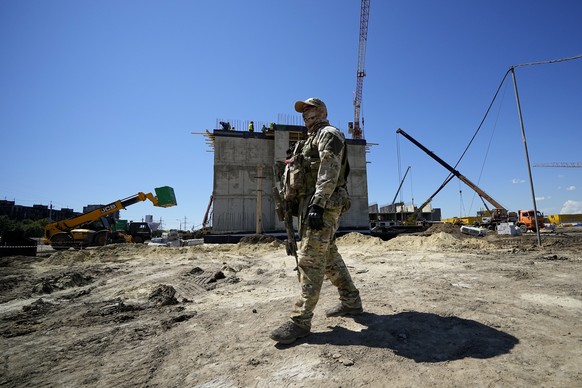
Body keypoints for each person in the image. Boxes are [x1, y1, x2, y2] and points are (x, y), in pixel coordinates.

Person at [270, 97, 363, 345]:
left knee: (310, 259)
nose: (307, 114)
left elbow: (329, 169)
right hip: (309, 206)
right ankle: (351, 302)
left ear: (322, 112)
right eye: (304, 111)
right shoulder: (307, 141)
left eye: (311, 110)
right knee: (329, 257)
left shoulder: (329, 134)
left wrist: (318, 203)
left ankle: (300, 321)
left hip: (324, 205)